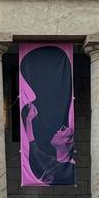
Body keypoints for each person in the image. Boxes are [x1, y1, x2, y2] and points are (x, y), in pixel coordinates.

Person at [18, 45, 76, 185]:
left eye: (63, 129)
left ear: (68, 141)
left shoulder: (65, 168)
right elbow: (34, 149)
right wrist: (29, 121)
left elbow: (34, 150)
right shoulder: (51, 160)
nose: (58, 130)